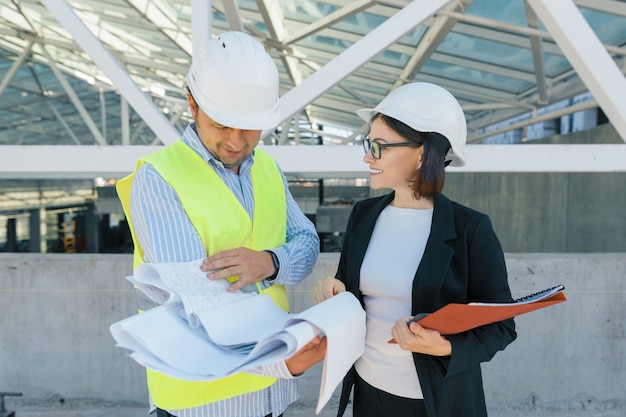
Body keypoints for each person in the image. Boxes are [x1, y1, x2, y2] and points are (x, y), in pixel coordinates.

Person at [117, 31, 325, 417]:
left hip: (271, 392)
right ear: (192, 104)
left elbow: (308, 243)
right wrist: (281, 357)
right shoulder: (159, 178)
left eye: (250, 126)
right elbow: (198, 296)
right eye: (223, 124)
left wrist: (271, 262)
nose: (237, 140)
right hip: (203, 401)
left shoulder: (267, 168)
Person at [314, 82, 517, 417]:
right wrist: (336, 290)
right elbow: (351, 289)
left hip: (436, 403)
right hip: (368, 392)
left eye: (379, 146)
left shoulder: (470, 229)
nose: (367, 156)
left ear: (421, 153)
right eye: (369, 144)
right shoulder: (363, 215)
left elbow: (502, 326)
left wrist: (446, 346)